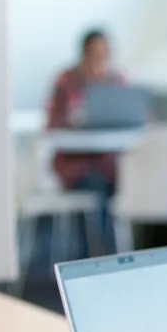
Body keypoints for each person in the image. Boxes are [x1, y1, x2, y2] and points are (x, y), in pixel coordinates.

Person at [45, 28, 126, 251]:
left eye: (105, 53)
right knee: (96, 188)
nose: (100, 59)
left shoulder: (117, 81)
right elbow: (51, 126)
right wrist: (71, 120)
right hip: (75, 165)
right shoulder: (67, 82)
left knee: (118, 184)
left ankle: (117, 256)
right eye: (95, 53)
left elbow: (140, 117)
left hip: (110, 163)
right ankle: (98, 254)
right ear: (84, 53)